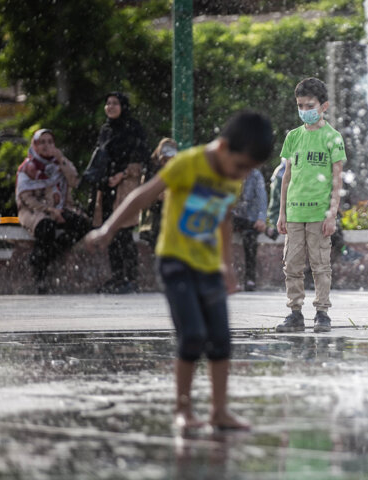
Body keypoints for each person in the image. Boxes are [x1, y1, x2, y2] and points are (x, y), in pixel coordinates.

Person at [85, 111, 275, 431]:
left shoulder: (232, 179)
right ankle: (183, 410)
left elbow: (225, 221)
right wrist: (108, 229)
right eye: (242, 166)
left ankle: (218, 411)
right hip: (175, 261)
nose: (242, 176)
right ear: (224, 146)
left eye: (249, 171)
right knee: (193, 335)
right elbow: (142, 195)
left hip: (209, 265)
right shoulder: (189, 163)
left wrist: (227, 267)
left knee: (221, 339)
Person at [275, 77, 346, 333]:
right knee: (291, 266)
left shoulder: (332, 137)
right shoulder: (293, 137)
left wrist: (332, 214)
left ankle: (322, 312)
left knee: (320, 265)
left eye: (309, 105)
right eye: (300, 105)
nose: (304, 110)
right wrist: (281, 213)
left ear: (323, 106)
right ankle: (295, 312)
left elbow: (337, 180)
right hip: (294, 213)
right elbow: (286, 178)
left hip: (319, 214)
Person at [15, 129, 91, 293]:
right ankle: (40, 278)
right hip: (34, 211)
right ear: (34, 145)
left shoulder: (60, 164)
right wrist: (49, 210)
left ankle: (47, 255)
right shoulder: (28, 167)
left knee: (83, 224)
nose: (46, 146)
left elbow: (74, 180)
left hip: (61, 208)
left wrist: (60, 159)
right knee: (46, 228)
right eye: (42, 142)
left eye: (50, 142)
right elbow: (26, 199)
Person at [92, 92, 149, 294]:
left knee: (124, 233)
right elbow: (101, 156)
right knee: (110, 233)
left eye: (115, 103)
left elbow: (141, 159)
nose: (110, 107)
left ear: (123, 106)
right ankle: (117, 277)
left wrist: (122, 174)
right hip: (107, 187)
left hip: (125, 187)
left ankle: (131, 279)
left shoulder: (132, 128)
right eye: (108, 103)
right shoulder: (106, 130)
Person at [232, 167, 270, 291]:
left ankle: (250, 279)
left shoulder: (255, 174)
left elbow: (262, 198)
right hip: (231, 216)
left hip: (248, 217)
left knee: (250, 239)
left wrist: (261, 219)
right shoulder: (230, 170)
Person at [139, 138, 178, 248]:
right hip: (156, 217)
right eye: (165, 160)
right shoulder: (153, 169)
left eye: (171, 159)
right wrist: (156, 196)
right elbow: (143, 195)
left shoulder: (179, 169)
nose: (168, 162)